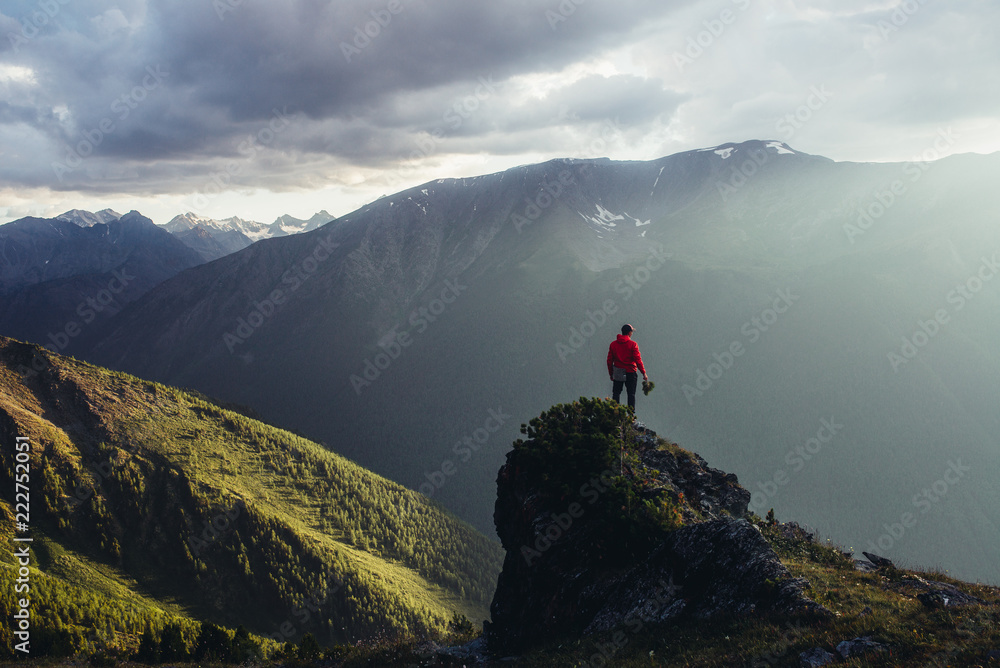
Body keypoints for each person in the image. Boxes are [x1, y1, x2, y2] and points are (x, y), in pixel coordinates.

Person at [607, 324, 647, 410]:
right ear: (629, 333)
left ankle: (615, 413)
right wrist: (643, 373)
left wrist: (611, 374)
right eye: (632, 331)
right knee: (631, 394)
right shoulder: (633, 344)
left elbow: (609, 361)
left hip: (618, 371)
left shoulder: (613, 344)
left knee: (616, 393)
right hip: (630, 372)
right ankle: (631, 416)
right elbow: (638, 360)